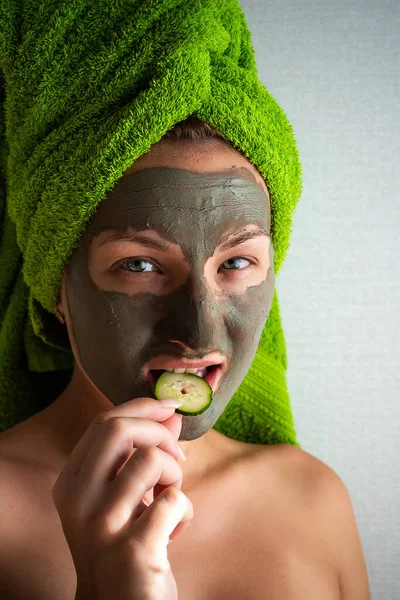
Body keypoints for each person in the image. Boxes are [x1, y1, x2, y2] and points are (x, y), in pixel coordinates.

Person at [0, 1, 370, 598]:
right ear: (56, 288)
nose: (198, 331)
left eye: (237, 263)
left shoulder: (315, 500)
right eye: (140, 265)